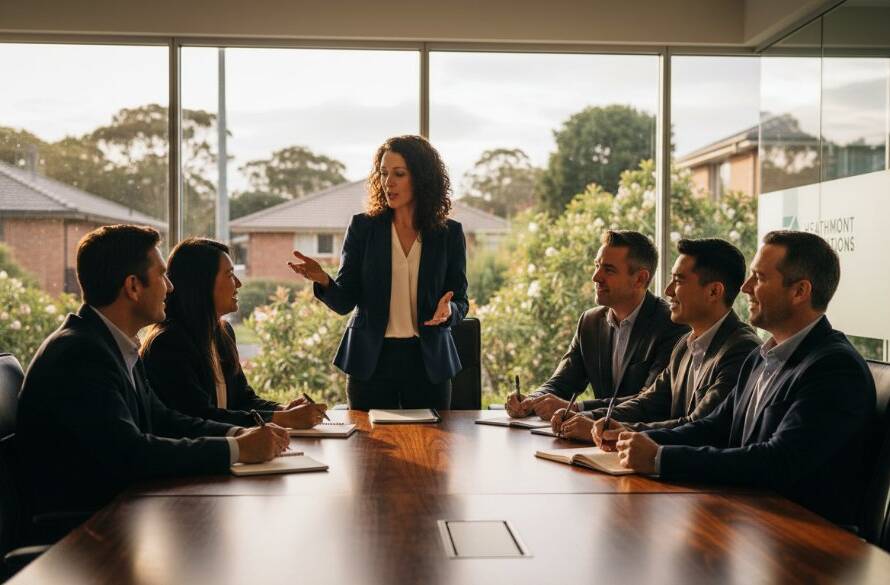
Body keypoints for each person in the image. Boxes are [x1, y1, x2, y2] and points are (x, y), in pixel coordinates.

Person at [16, 225, 290, 515]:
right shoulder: (80, 354)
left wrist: (238, 434)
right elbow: (130, 454)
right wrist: (237, 450)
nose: (170, 287)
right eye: (162, 275)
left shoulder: (111, 344)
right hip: (82, 534)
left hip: (121, 512)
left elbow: (163, 419)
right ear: (133, 286)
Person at [614, 231, 875, 526]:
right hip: (753, 519)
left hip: (805, 539)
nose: (746, 287)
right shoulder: (761, 357)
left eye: (759, 278)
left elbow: (777, 462)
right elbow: (715, 427)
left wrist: (661, 458)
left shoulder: (834, 368)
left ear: (800, 291)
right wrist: (638, 439)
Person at [288, 135, 468, 410]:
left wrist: (449, 312)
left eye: (399, 174)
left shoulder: (449, 234)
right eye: (383, 173)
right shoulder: (363, 228)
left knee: (431, 448)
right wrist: (323, 280)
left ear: (421, 178)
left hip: (428, 364)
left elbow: (461, 300)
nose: (388, 182)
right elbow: (345, 301)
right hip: (371, 362)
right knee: (369, 449)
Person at [567, 238, 761, 444]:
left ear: (714, 291)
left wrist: (620, 432)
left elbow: (699, 426)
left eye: (678, 281)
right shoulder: (684, 345)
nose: (668, 290)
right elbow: (649, 403)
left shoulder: (742, 350)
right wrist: (590, 418)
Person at [506, 230, 688, 436]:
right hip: (592, 443)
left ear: (639, 279)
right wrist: (530, 400)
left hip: (640, 444)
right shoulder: (590, 322)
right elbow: (563, 381)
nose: (596, 277)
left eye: (608, 270)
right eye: (596, 266)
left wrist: (578, 409)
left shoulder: (672, 325)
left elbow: (650, 402)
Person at [141, 237, 327, 428]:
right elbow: (199, 417)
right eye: (230, 275)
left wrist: (284, 409)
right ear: (202, 283)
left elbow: (243, 400)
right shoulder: (167, 344)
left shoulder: (222, 332)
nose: (238, 284)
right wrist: (281, 419)